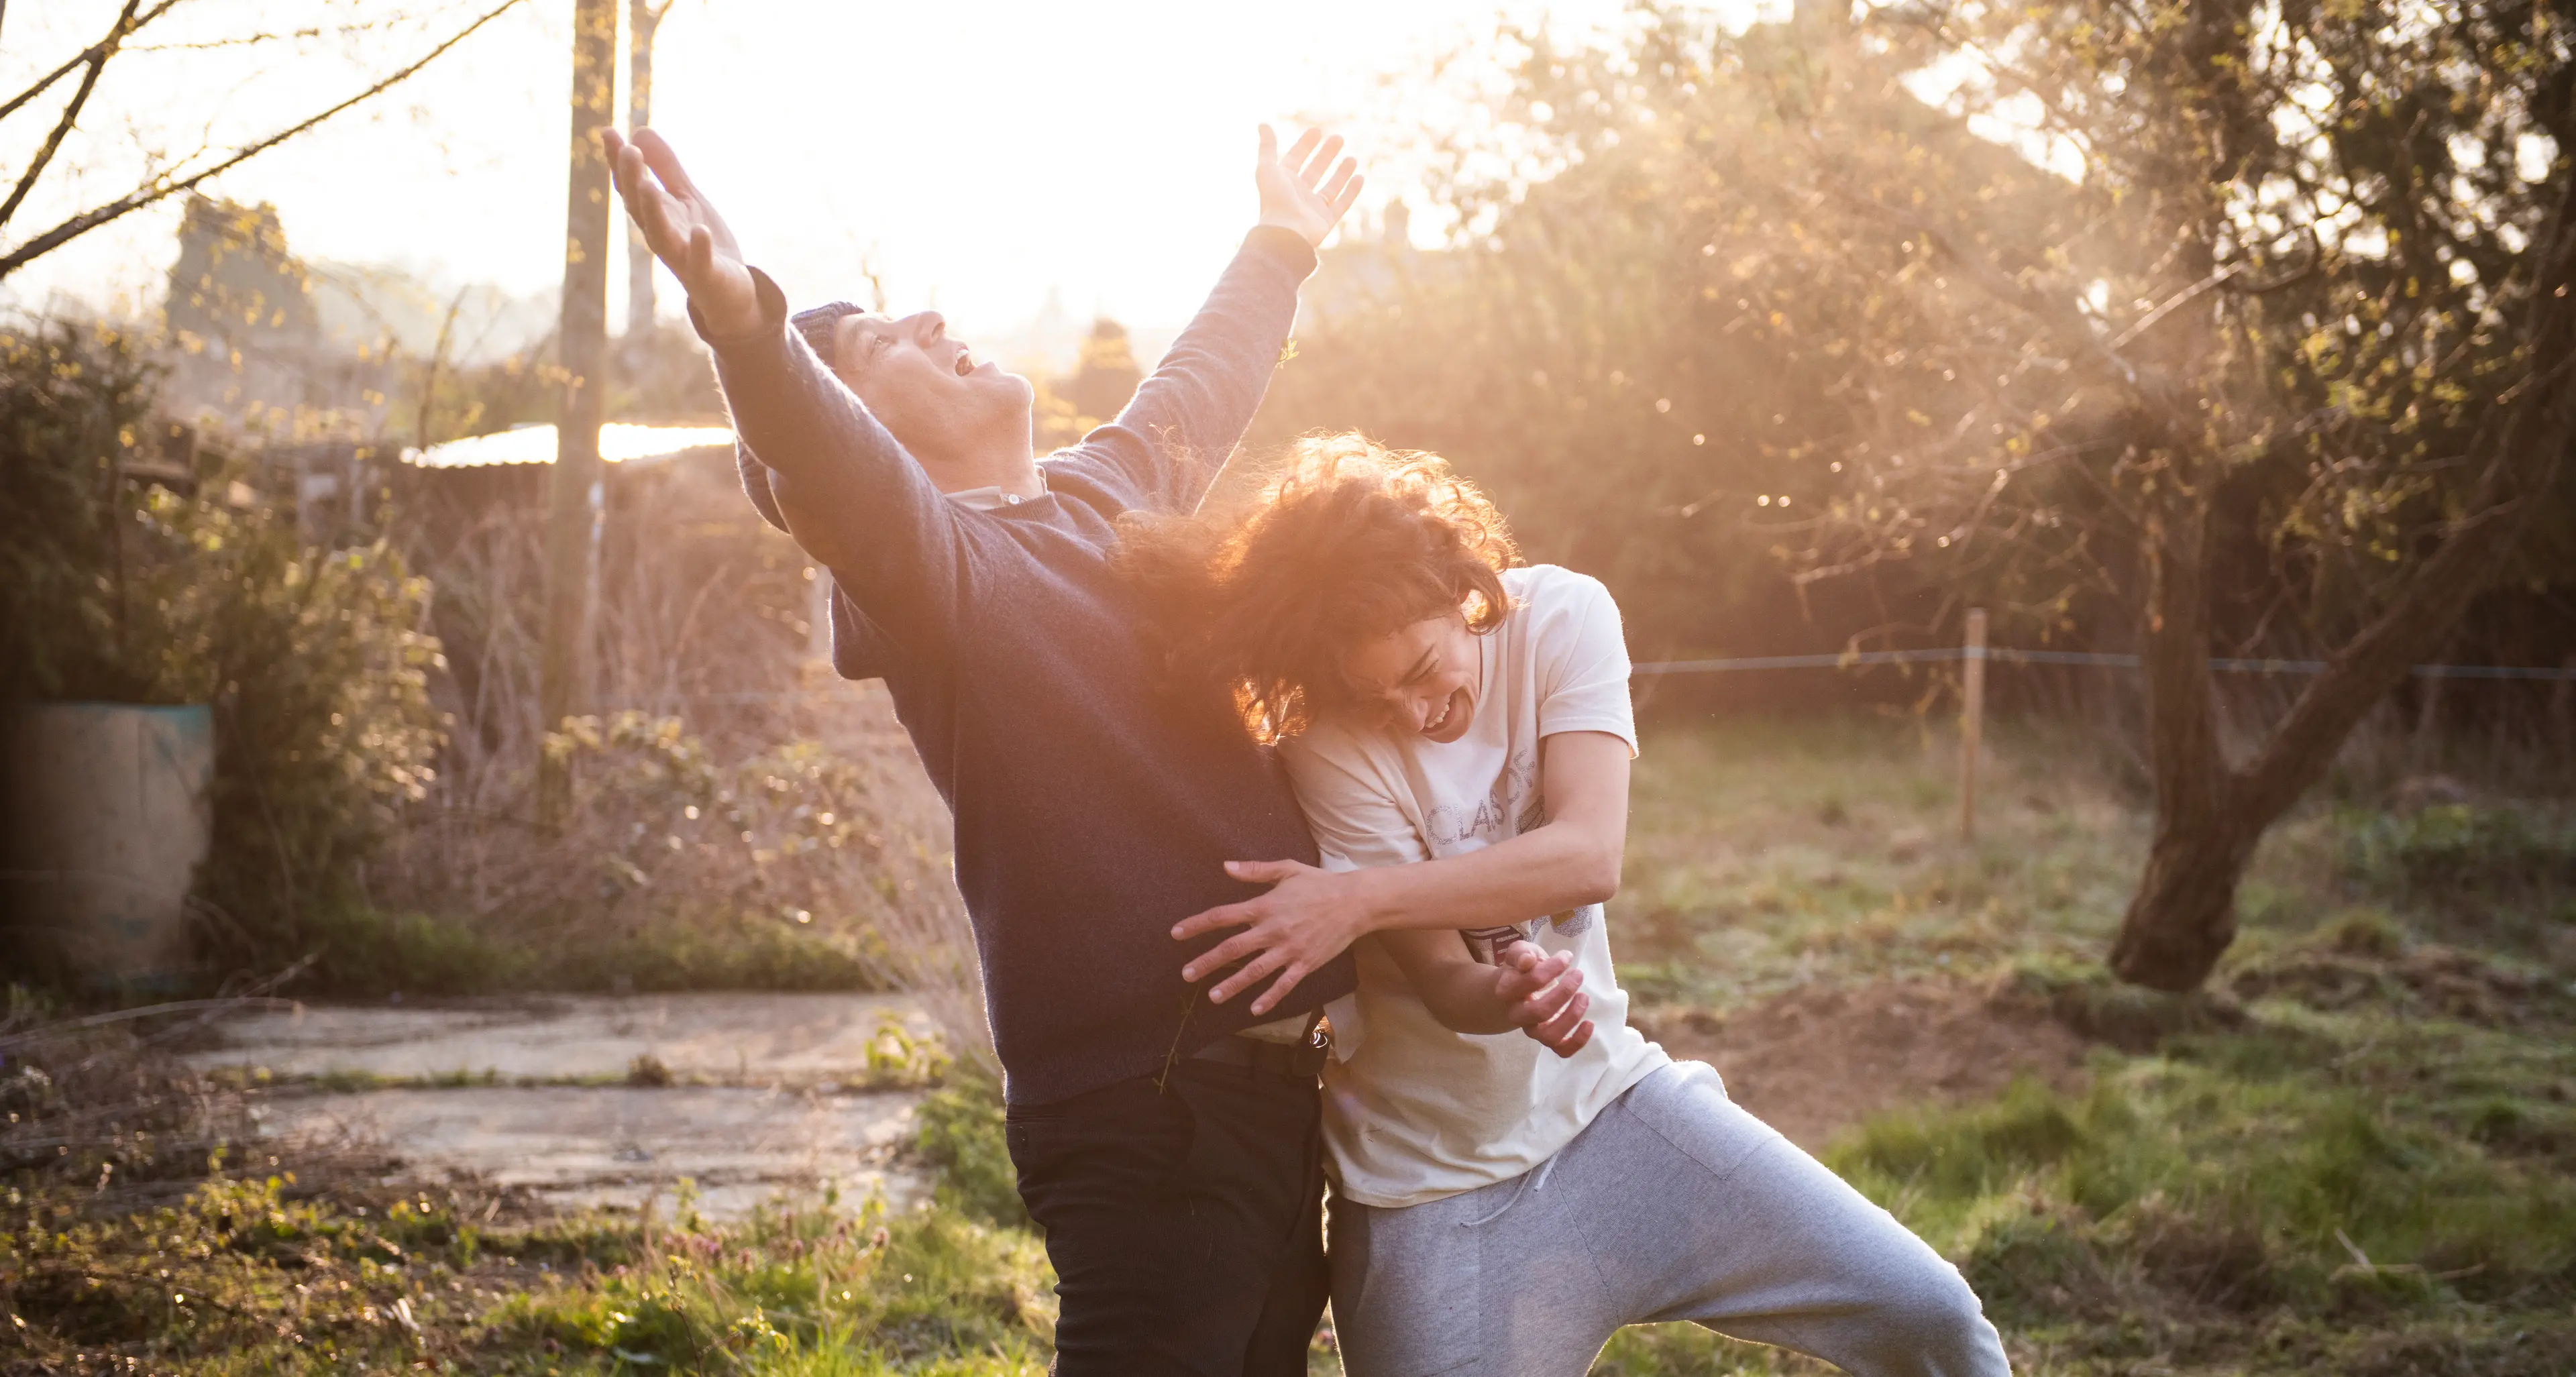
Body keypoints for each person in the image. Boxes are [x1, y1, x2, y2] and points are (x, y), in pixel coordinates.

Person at [599, 125, 1589, 1375]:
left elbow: (1203, 379)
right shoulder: (940, 573)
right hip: (1148, 1106)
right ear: (868, 435)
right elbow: (827, 471)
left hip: (1272, 1099)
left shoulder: (1105, 498)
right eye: (881, 347)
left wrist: (1282, 236)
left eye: (910, 315)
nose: (931, 323)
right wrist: (747, 325)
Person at [1118, 437, 2015, 1377]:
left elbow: (1588, 855)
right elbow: (1445, 987)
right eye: (1376, 697)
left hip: (1612, 1112)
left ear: (1458, 585)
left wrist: (1355, 900)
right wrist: (1511, 995)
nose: (1416, 714)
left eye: (1425, 670)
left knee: (1932, 1318)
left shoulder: (1563, 618)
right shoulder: (1329, 744)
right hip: (1434, 1196)